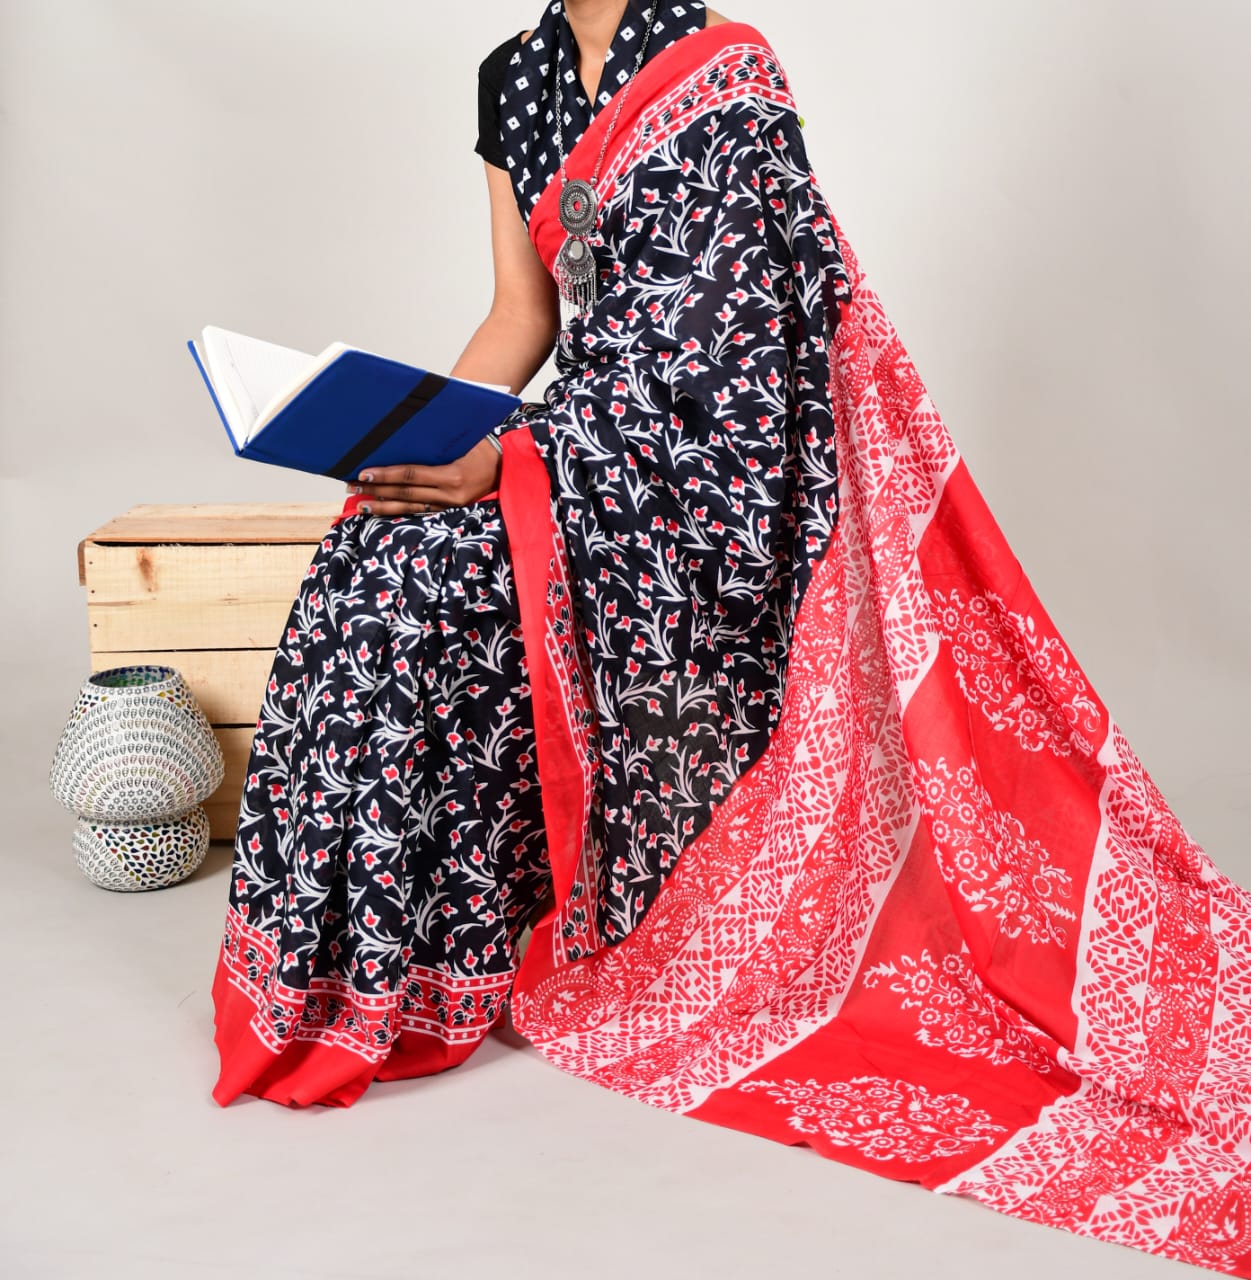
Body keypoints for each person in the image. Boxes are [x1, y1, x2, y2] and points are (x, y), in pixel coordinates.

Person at [211, 2, 1251, 1273]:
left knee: (440, 579)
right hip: (574, 457)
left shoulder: (725, 74)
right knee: (374, 557)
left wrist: (514, 461)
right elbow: (521, 316)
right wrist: (415, 432)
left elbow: (734, 371)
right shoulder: (511, 78)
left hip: (697, 494)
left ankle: (433, 957)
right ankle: (363, 971)